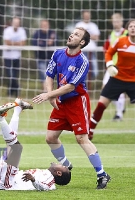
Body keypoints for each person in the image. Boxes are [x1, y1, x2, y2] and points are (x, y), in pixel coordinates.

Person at [32, 27, 110, 189]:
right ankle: (66, 164)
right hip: (61, 101)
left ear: (82, 42)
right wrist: (51, 94)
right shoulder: (58, 53)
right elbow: (49, 75)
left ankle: (102, 174)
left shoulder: (82, 61)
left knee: (81, 138)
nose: (71, 35)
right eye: (72, 33)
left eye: (76, 35)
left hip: (76, 102)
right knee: (50, 138)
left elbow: (70, 87)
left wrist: (49, 95)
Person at [0, 98, 71, 190]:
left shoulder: (50, 182)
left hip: (6, 182)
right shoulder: (44, 173)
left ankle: (0, 117)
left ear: (59, 173)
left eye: (63, 166)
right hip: (3, 178)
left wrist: (33, 179)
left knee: (16, 147)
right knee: (12, 145)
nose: (60, 163)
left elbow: (44, 187)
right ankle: (17, 109)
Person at [88, 19, 135, 140]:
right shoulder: (120, 41)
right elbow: (109, 53)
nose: (133, 28)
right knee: (101, 104)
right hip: (117, 79)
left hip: (133, 81)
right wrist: (109, 65)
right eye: (131, 26)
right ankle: (90, 131)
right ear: (127, 29)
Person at [103, 13, 128, 121]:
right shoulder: (112, 34)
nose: (116, 23)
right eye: (114, 21)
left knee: (120, 90)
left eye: (118, 21)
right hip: (112, 66)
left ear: (122, 22)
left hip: (123, 66)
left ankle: (119, 114)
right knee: (104, 88)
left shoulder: (127, 33)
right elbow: (107, 49)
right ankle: (120, 109)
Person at [3, 17, 27, 97]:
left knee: (15, 75)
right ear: (12, 23)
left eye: (18, 23)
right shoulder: (7, 30)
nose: (16, 24)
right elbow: (7, 42)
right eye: (15, 22)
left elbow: (23, 43)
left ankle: (11, 92)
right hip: (7, 57)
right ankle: (15, 89)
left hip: (17, 56)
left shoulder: (22, 31)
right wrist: (17, 43)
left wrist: (13, 43)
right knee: (10, 75)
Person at [31, 19, 57, 91]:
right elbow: (35, 43)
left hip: (51, 58)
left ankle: (50, 91)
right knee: (43, 74)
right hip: (40, 57)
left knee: (51, 75)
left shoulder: (52, 33)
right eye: (43, 25)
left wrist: (43, 43)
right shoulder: (37, 33)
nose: (44, 26)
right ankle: (45, 91)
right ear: (40, 25)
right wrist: (47, 43)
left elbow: (55, 42)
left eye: (46, 25)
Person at [75, 10, 100, 81]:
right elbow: (77, 37)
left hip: (92, 51)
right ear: (83, 16)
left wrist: (85, 36)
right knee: (82, 71)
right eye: (85, 15)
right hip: (82, 51)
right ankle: (84, 87)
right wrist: (91, 36)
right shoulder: (78, 25)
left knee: (95, 72)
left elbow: (97, 38)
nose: (87, 17)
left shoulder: (93, 25)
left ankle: (89, 86)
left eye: (88, 15)